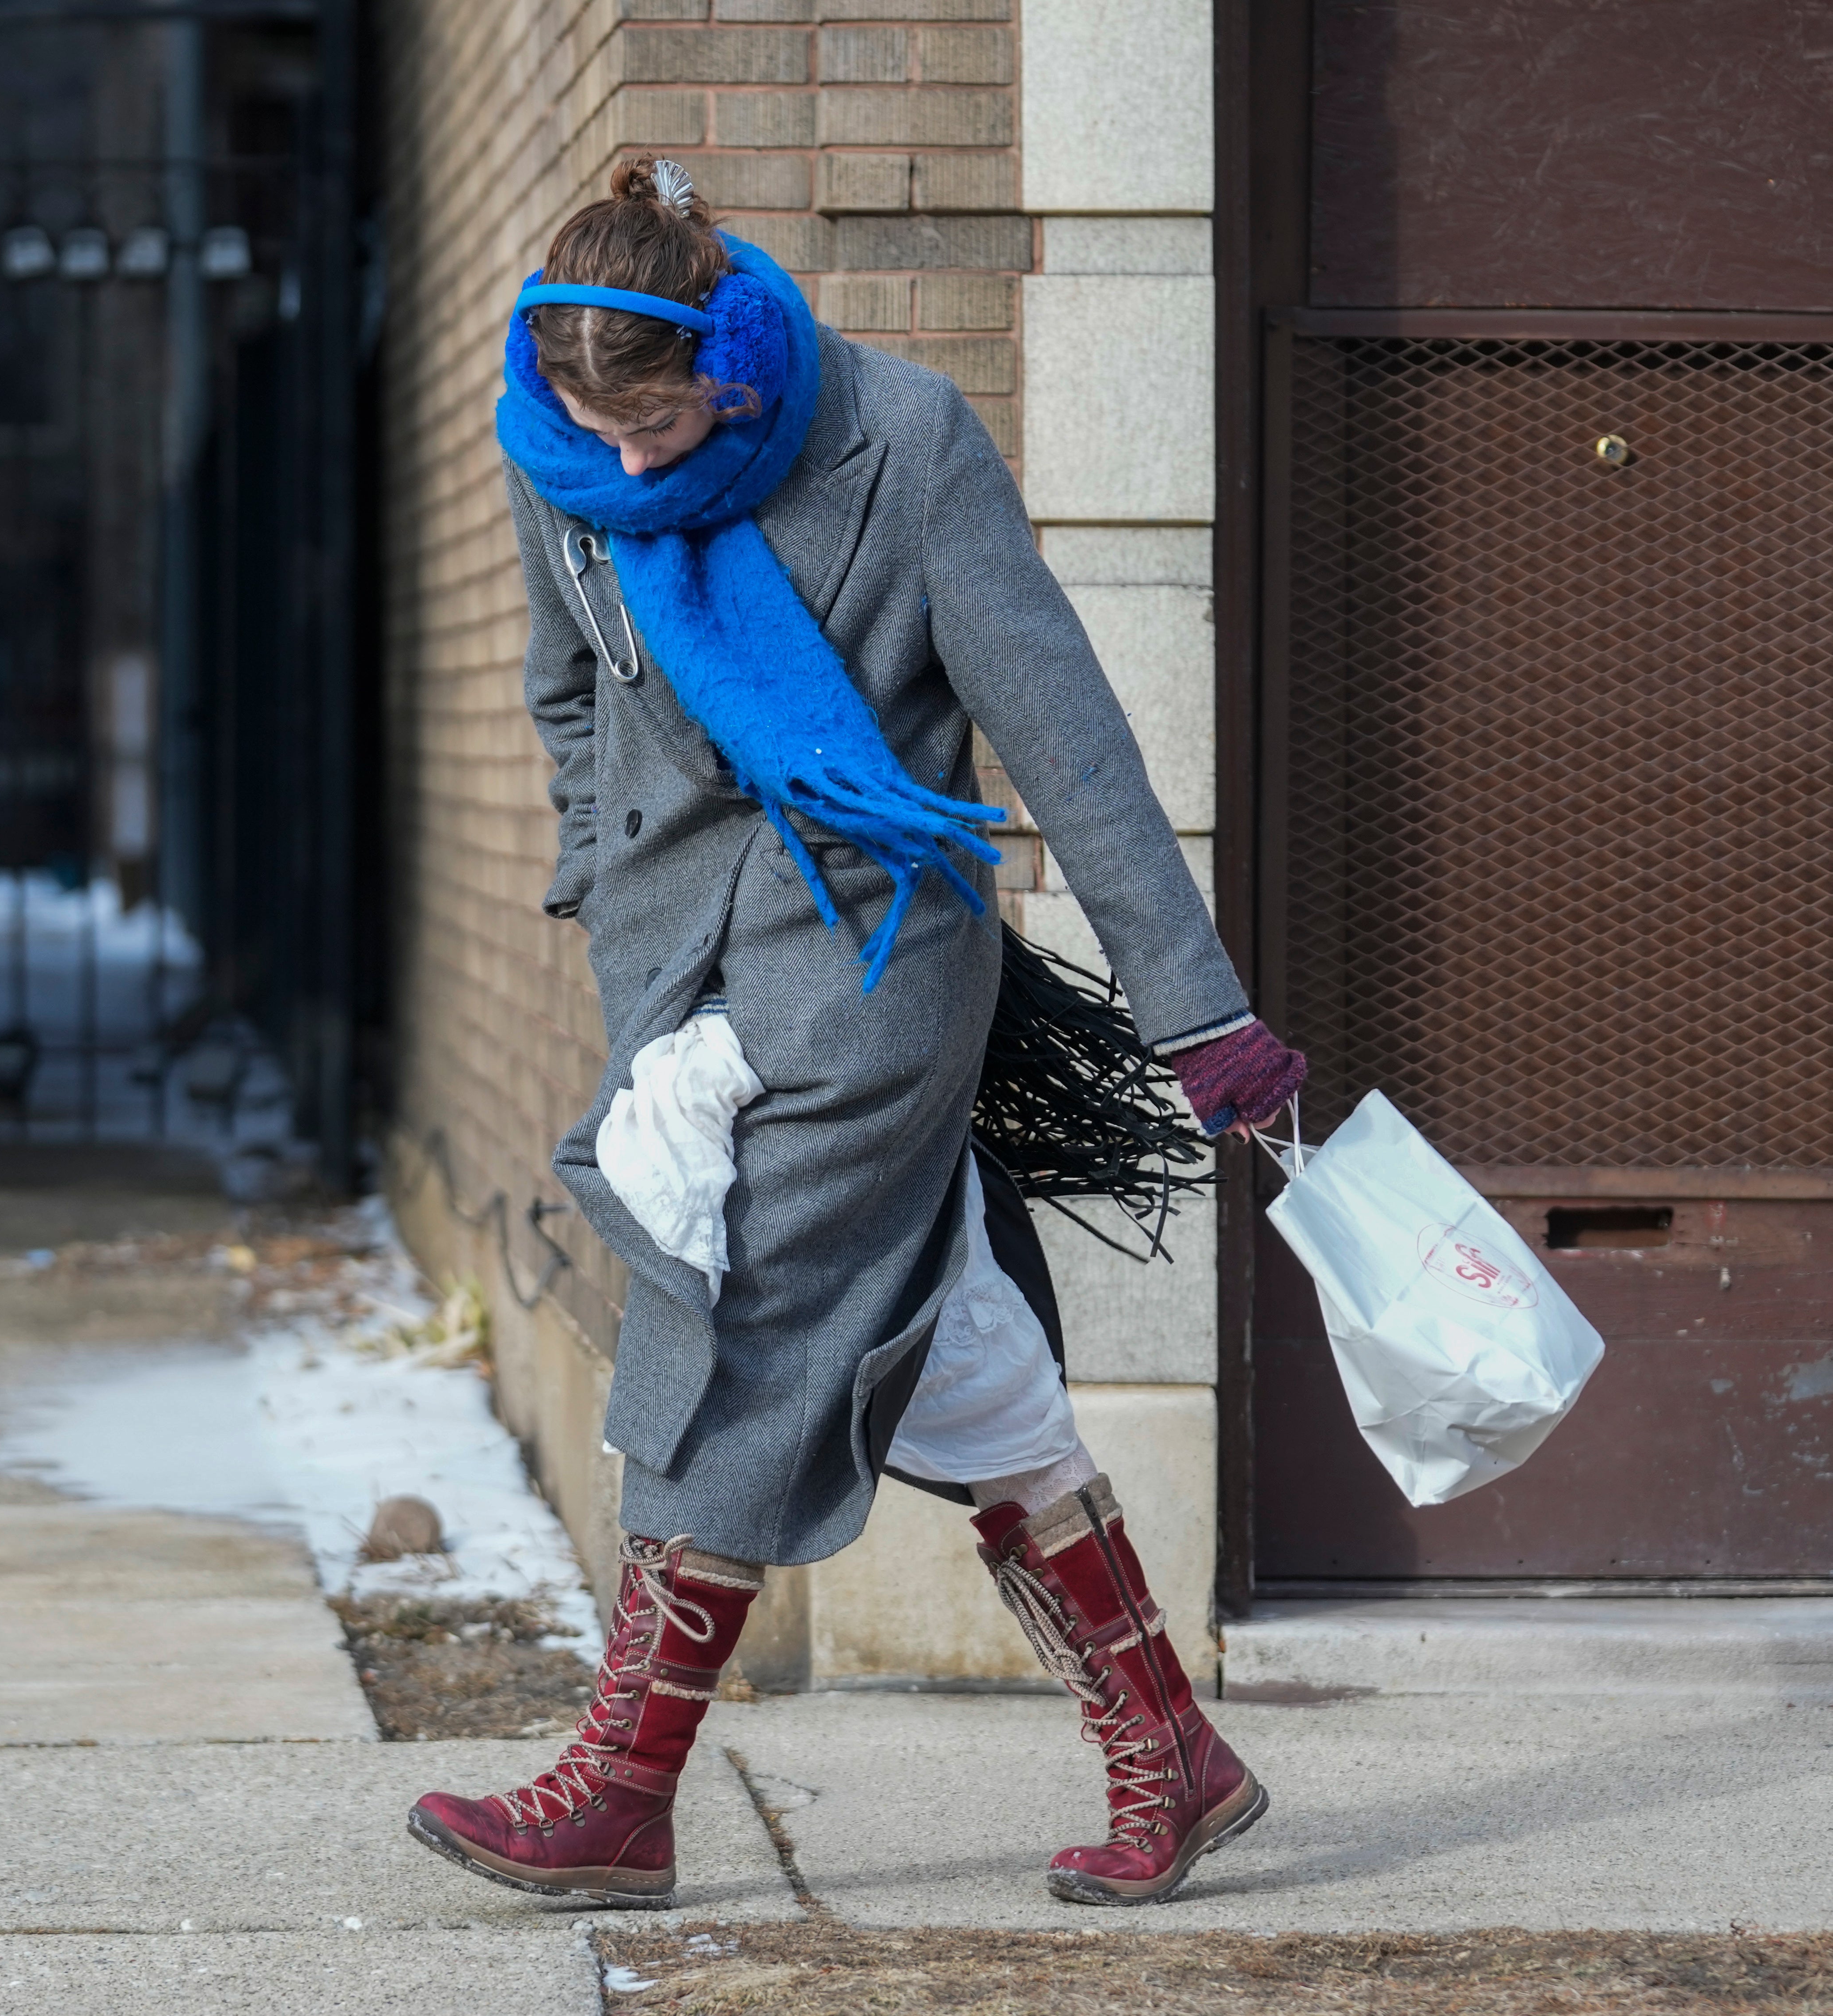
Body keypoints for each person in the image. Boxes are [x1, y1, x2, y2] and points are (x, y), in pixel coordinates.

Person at [406, 158, 1307, 1913]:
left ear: (728, 364)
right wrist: (603, 894)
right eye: (607, 438)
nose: (638, 471)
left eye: (664, 426)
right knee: (954, 1344)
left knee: (724, 1307)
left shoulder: (900, 443)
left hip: (871, 966)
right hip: (679, 974)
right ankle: (1169, 1752)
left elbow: (1068, 739)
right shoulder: (561, 450)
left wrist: (1201, 1015)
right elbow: (568, 694)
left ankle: (622, 1787)